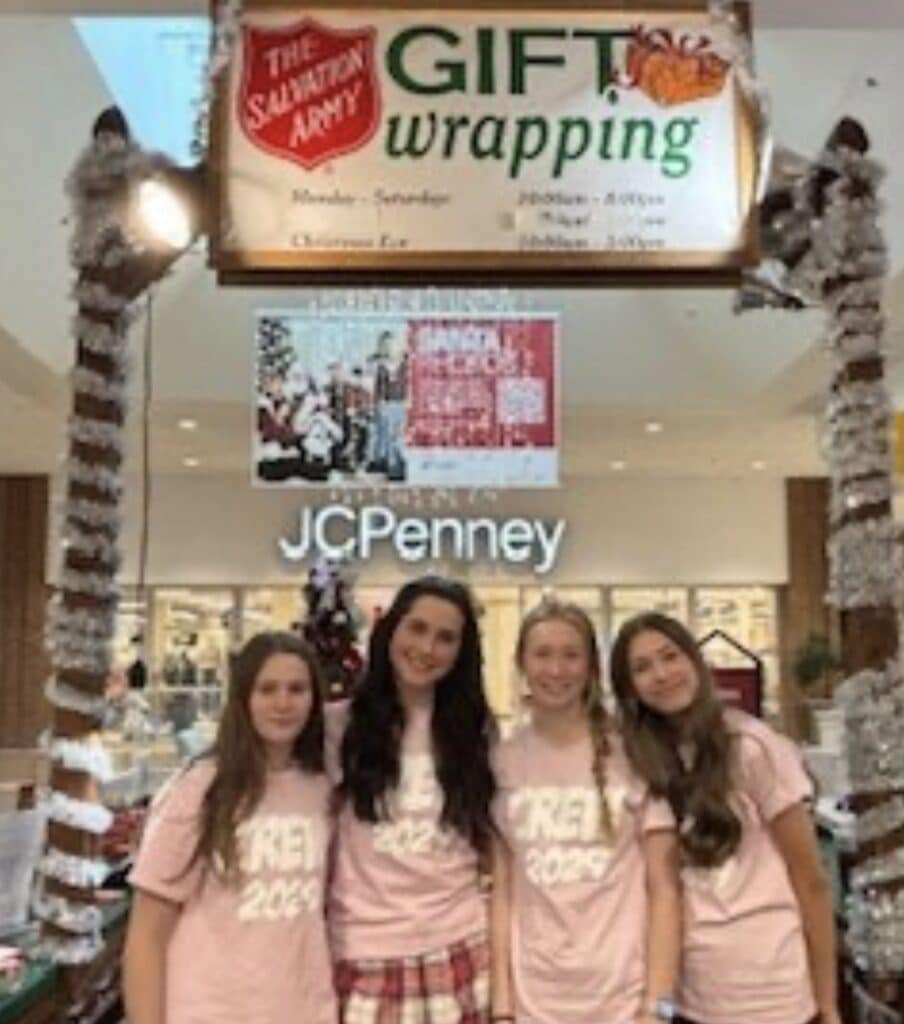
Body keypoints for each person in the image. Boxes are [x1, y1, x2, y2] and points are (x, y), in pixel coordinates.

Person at [609, 612, 839, 1024]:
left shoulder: (752, 746)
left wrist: (828, 1005)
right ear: (629, 689)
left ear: (694, 660)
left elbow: (811, 881)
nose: (661, 674)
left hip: (772, 997)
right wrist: (660, 1009)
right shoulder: (640, 762)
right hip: (690, 1000)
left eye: (670, 656)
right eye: (642, 667)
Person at [123, 632, 335, 1024]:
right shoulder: (199, 789)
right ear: (243, 698)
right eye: (267, 689)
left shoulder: (322, 787)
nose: (283, 703)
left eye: (296, 689)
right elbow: (147, 935)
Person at [491, 599, 680, 1024]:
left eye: (571, 655)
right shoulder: (502, 762)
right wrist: (502, 1009)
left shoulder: (636, 754)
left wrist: (660, 1009)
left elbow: (665, 892)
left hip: (626, 1003)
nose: (556, 670)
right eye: (542, 654)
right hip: (534, 1004)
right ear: (522, 663)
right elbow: (503, 894)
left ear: (592, 666)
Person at [328, 575, 496, 1024]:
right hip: (364, 955)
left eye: (446, 638)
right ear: (390, 630)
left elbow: (486, 840)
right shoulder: (336, 728)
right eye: (417, 629)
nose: (427, 648)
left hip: (462, 950)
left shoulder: (476, 732)